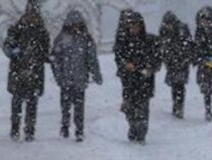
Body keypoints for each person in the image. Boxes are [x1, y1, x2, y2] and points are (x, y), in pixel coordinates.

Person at [50, 10, 103, 142]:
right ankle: (65, 127)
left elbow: (92, 58)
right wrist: (59, 76)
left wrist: (96, 74)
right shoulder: (62, 39)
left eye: (78, 24)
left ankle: (79, 130)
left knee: (79, 107)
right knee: (65, 106)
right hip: (66, 80)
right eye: (73, 24)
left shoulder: (86, 39)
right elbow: (55, 60)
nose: (76, 26)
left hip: (80, 79)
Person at [2, 3, 50, 142]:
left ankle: (29, 130)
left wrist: (46, 57)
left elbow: (45, 51)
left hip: (33, 72)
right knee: (18, 103)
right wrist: (14, 53)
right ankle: (15, 129)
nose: (32, 17)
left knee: (31, 104)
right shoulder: (17, 29)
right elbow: (7, 47)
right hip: (20, 71)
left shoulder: (41, 32)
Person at [113, 9, 161, 144]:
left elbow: (157, 59)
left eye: (137, 26)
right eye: (131, 26)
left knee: (142, 109)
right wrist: (125, 65)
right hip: (129, 81)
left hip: (145, 81)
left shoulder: (150, 41)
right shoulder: (123, 42)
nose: (134, 29)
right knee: (129, 108)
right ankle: (133, 128)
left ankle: (141, 134)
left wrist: (150, 68)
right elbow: (119, 57)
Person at [159, 11, 194, 119]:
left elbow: (188, 44)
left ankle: (179, 106)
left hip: (182, 61)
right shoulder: (164, 30)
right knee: (174, 85)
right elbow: (162, 45)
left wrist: (186, 58)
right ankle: (176, 105)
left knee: (180, 85)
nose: (169, 25)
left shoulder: (182, 29)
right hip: (171, 62)